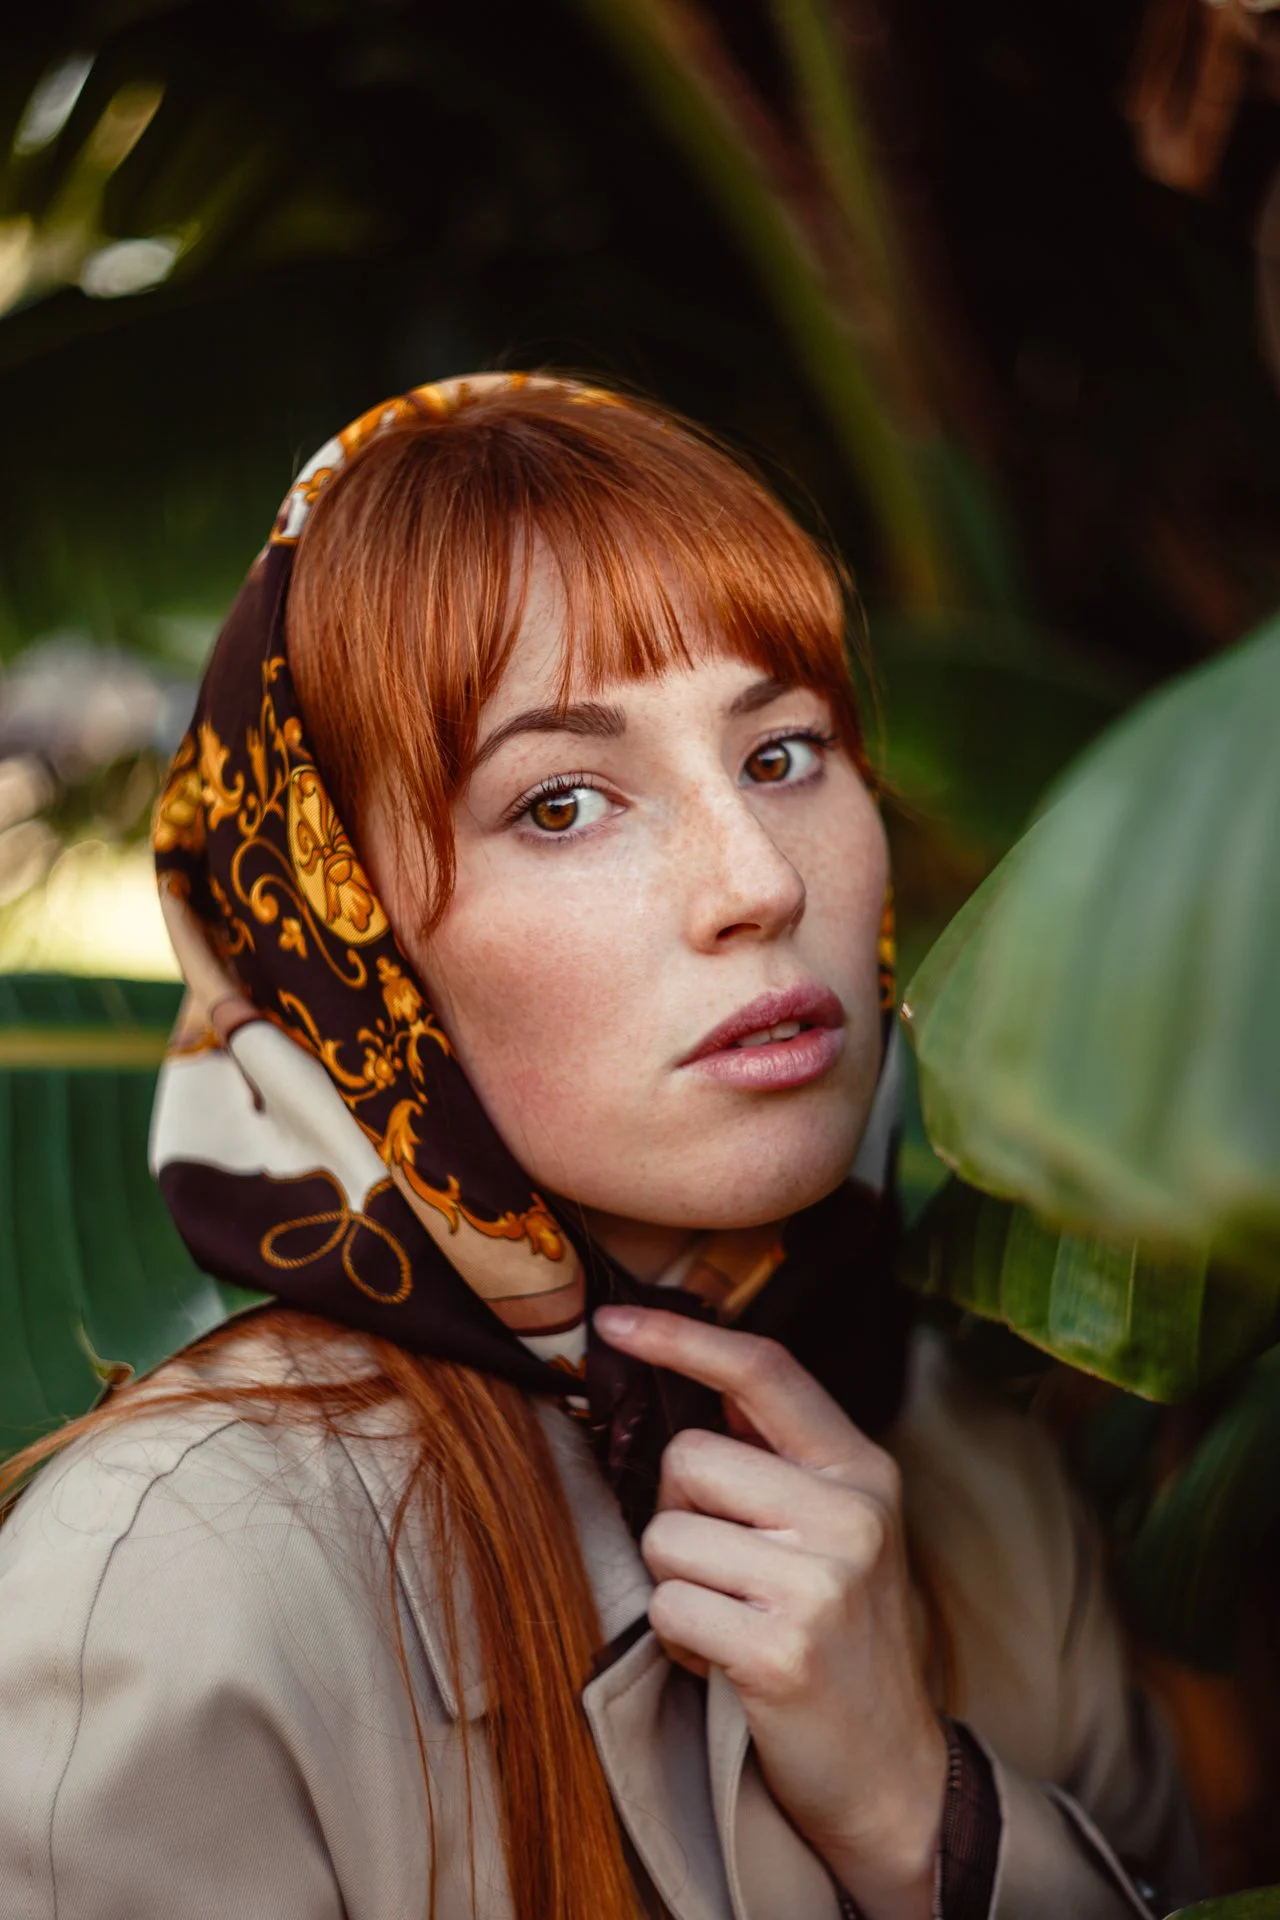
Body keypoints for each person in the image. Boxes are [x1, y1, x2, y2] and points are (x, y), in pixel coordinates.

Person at [0, 374, 1206, 1920]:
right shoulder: (170, 1584)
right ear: (342, 933)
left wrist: (931, 1819)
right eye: (564, 801)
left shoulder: (968, 1481)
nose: (757, 880)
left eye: (783, 754)